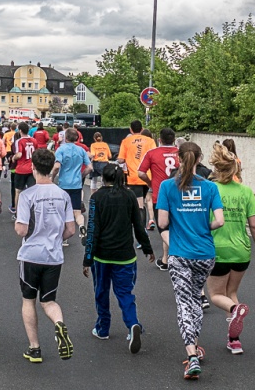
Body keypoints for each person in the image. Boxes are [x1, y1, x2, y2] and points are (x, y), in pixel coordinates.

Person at [156, 142, 224, 379]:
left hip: (180, 253)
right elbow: (220, 221)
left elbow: (162, 223)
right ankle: (195, 343)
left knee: (184, 302)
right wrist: (203, 227)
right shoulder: (210, 188)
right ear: (199, 159)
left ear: (178, 158)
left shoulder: (166, 187)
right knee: (195, 298)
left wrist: (177, 230)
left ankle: (192, 355)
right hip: (205, 253)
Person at [83, 163, 155, 351]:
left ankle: (103, 328)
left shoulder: (96, 197)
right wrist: (147, 248)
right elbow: (138, 226)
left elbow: (93, 230)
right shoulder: (130, 196)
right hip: (125, 256)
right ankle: (133, 324)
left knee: (101, 291)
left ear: (103, 178)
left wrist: (87, 258)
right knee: (125, 293)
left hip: (102, 256)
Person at [15, 148, 76, 363]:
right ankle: (59, 323)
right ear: (52, 169)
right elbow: (71, 229)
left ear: (33, 168)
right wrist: (57, 238)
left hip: (31, 254)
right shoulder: (63, 195)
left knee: (28, 300)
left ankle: (35, 348)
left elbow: (22, 230)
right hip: (53, 256)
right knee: (49, 300)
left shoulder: (27, 195)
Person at [207, 142, 255, 355]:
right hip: (241, 250)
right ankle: (235, 341)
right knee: (231, 292)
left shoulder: (210, 189)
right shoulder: (246, 191)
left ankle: (234, 310)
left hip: (217, 248)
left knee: (215, 295)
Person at [138, 127, 180, 232]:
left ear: (160, 140)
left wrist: (150, 183)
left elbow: (141, 173)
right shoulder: (180, 153)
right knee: (178, 230)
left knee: (164, 230)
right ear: (174, 140)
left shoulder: (152, 153)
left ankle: (169, 248)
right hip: (179, 195)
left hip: (160, 196)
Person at [53, 128, 91, 241]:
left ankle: (64, 238)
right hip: (76, 184)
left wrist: (53, 177)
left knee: (63, 211)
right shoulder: (81, 150)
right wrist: (82, 176)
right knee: (77, 211)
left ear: (65, 137)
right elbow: (90, 167)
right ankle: (81, 226)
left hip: (64, 184)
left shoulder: (61, 149)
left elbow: (56, 166)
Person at [117, 120, 156, 229]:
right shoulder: (150, 141)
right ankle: (147, 225)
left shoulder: (126, 141)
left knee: (139, 206)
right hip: (148, 176)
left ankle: (142, 233)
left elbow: (120, 160)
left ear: (130, 129)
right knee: (145, 201)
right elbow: (154, 155)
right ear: (142, 129)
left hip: (134, 177)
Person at [10, 122, 37, 215]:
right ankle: (32, 213)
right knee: (32, 191)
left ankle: (17, 213)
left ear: (20, 130)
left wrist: (13, 158)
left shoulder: (19, 141)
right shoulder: (34, 140)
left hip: (21, 169)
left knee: (18, 191)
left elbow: (19, 154)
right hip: (32, 168)